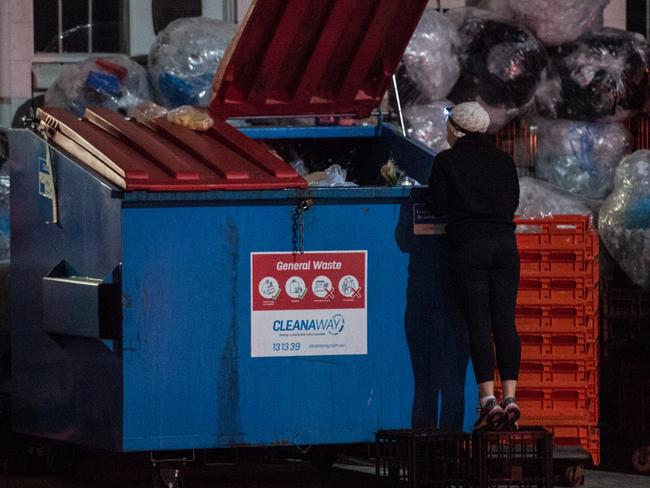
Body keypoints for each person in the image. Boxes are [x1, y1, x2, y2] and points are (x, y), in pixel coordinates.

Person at [425, 102, 521, 431]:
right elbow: (513, 202)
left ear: (455, 130)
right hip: (505, 247)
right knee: (505, 322)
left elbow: (437, 204)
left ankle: (487, 401)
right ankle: (511, 397)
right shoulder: (504, 160)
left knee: (478, 322)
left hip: (470, 247)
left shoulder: (447, 161)